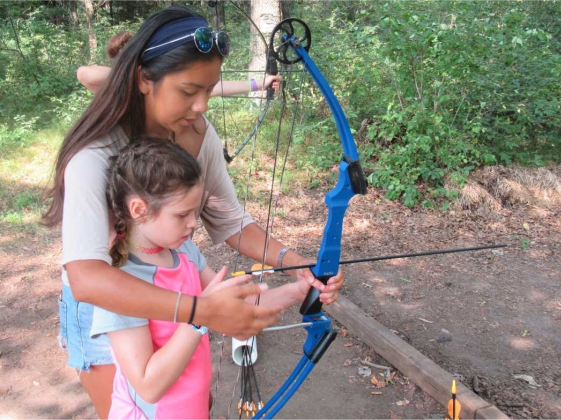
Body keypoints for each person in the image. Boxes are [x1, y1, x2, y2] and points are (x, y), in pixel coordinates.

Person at [42, 7, 344, 418]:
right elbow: (87, 279)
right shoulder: (94, 154)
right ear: (144, 80)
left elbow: (231, 221)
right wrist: (200, 313)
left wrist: (299, 266)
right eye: (188, 91)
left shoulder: (198, 136)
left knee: (189, 402)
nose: (201, 105)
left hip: (176, 295)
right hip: (109, 305)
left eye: (209, 89)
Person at [96, 138, 310, 419]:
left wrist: (301, 289)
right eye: (182, 214)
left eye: (195, 212)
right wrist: (199, 315)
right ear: (139, 210)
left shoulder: (182, 250)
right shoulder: (119, 282)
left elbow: (237, 305)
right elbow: (148, 386)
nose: (194, 223)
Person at [77, 31, 281, 96]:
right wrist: (134, 71)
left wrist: (258, 84)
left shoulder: (158, 80)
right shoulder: (115, 85)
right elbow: (84, 74)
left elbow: (214, 87)